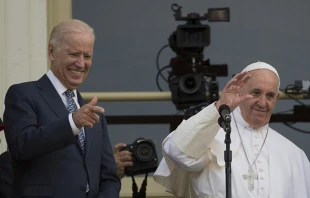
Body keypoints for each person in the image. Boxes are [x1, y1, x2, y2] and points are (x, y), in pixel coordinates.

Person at [153, 61, 310, 198]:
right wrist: (220, 106)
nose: (262, 103)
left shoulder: (294, 155)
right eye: (255, 93)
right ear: (240, 92)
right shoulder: (210, 135)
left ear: (276, 99)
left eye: (269, 95)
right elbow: (177, 152)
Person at [3, 19, 120, 198]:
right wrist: (72, 122)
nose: (81, 64)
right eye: (74, 54)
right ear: (52, 52)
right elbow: (21, 146)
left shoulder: (93, 115)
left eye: (87, 56)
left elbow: (109, 178)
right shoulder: (23, 94)